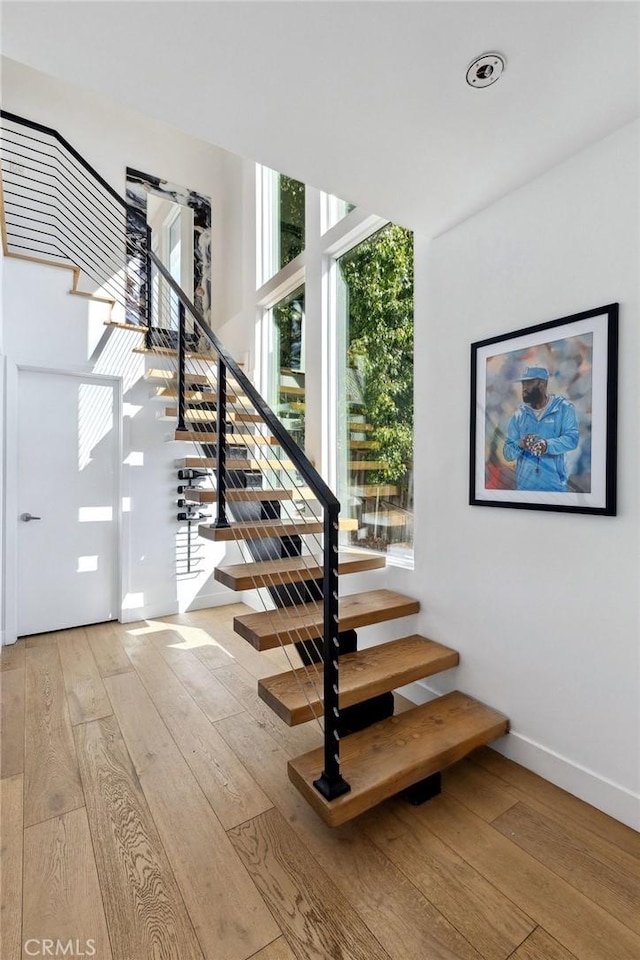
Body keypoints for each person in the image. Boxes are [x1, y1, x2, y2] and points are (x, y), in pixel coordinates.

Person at [503, 366, 579, 492]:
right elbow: (507, 453)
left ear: (542, 384)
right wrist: (521, 444)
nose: (524, 388)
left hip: (555, 489)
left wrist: (546, 445)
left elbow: (572, 439)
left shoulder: (564, 408)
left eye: (529, 382)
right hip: (524, 489)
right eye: (523, 383)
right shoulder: (519, 415)